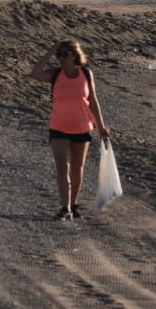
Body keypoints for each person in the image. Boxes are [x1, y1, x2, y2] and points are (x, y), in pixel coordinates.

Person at [29, 40, 110, 220]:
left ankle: (73, 205)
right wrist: (50, 50)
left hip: (82, 128)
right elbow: (34, 74)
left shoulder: (86, 74)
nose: (61, 59)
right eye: (59, 56)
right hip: (59, 127)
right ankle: (65, 209)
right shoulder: (55, 74)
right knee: (62, 168)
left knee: (77, 168)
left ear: (75, 55)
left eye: (65, 55)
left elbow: (93, 101)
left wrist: (101, 126)